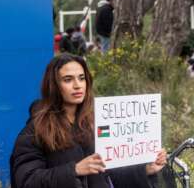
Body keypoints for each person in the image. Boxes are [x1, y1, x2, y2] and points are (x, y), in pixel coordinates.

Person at [10, 54, 166, 188]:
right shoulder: (35, 131)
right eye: (68, 79)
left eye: (81, 78)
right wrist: (74, 170)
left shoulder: (95, 123)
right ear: (54, 86)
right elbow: (26, 181)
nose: (77, 85)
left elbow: (110, 175)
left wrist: (145, 170)